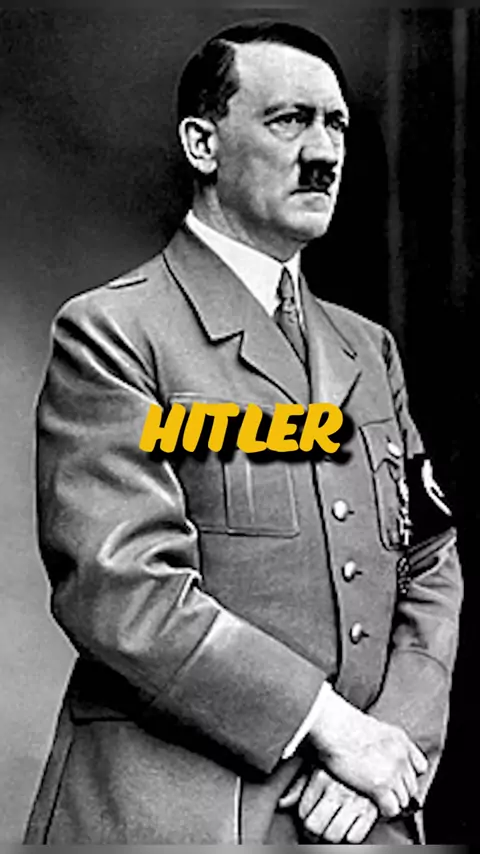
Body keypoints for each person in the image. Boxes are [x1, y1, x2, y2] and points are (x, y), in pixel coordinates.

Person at [24, 20, 462, 845]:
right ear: (202, 144)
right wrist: (334, 727)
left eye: (336, 125)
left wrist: (392, 744)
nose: (324, 153)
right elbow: (122, 589)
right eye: (289, 120)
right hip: (174, 821)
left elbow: (429, 561)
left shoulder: (367, 349)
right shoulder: (115, 332)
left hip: (358, 814)